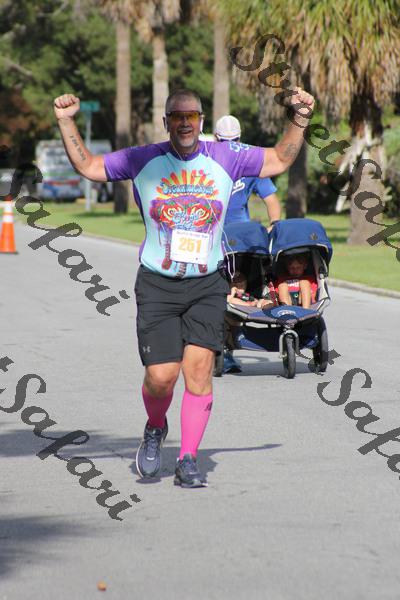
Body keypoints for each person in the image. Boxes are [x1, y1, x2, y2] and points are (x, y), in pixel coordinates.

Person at [53, 86, 315, 488]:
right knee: (161, 377)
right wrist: (66, 121)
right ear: (166, 122)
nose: (185, 123)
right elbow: (89, 166)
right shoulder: (143, 159)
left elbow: (280, 158)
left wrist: (299, 118)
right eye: (177, 116)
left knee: (198, 371)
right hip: (157, 284)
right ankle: (155, 427)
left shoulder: (226, 156)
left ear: (201, 121)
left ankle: (188, 458)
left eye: (191, 116)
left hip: (208, 282)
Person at [214, 115, 281, 229]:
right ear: (216, 138)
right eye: (224, 141)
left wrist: (274, 226)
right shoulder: (206, 160)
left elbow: (271, 199)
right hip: (211, 231)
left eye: (234, 140)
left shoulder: (251, 161)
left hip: (241, 232)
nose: (230, 145)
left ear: (239, 138)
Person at [224, 271, 274, 374]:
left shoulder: (247, 295)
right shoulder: (230, 295)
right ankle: (226, 356)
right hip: (232, 313)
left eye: (242, 285)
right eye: (235, 285)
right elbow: (229, 300)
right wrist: (232, 292)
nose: (239, 287)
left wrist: (257, 302)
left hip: (247, 310)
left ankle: (269, 306)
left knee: (262, 301)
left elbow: (255, 300)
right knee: (229, 307)